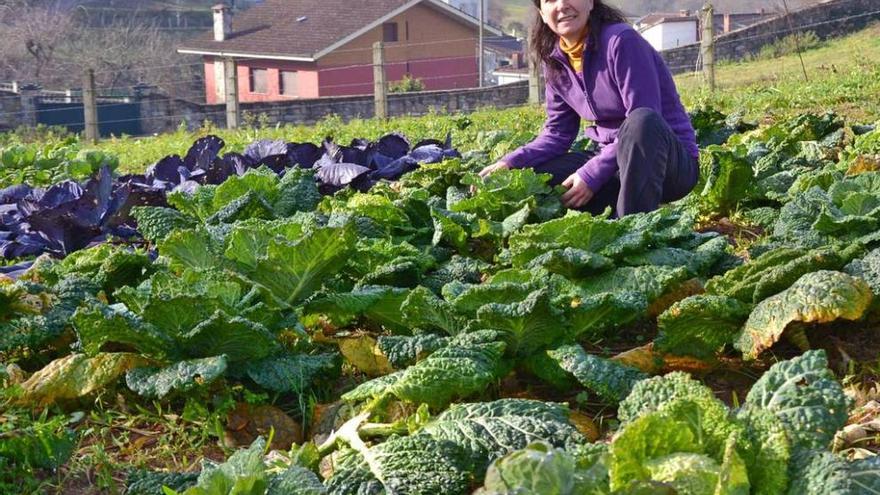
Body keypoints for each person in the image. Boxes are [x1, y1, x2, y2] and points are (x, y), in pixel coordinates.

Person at [479, 0, 699, 217]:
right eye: (550, 0)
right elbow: (557, 133)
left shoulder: (621, 41)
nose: (562, 5)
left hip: (668, 162)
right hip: (611, 160)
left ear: (591, 2)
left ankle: (633, 231)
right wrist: (510, 163)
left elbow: (646, 121)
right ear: (542, 13)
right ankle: (607, 217)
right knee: (539, 179)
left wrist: (592, 174)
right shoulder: (555, 60)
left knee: (641, 121)